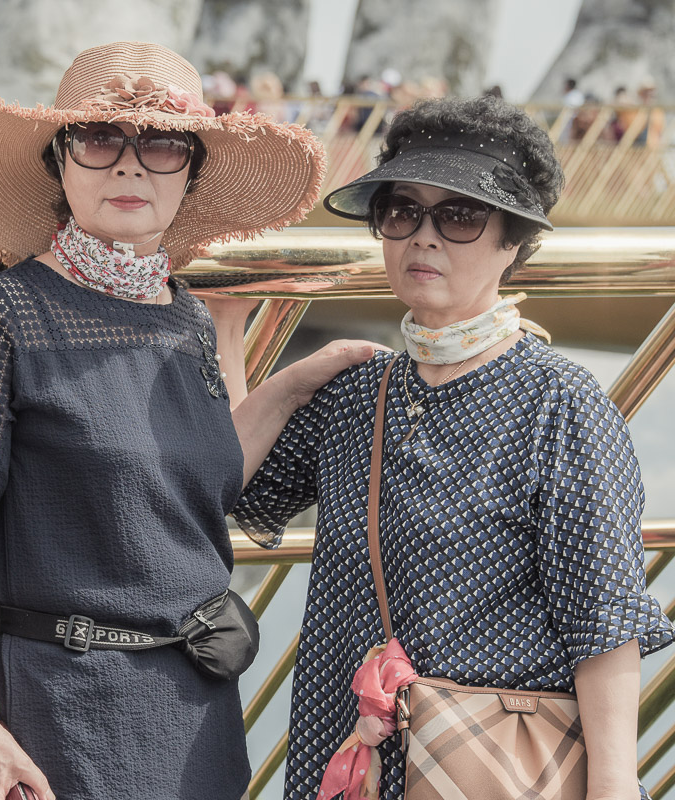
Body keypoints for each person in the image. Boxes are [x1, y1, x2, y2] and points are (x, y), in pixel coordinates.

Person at [0, 40, 375, 800]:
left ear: (191, 170)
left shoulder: (185, 318)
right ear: (59, 161)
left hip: (197, 707)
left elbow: (193, 488)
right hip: (61, 704)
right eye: (100, 140)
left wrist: (294, 384)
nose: (129, 165)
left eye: (161, 143)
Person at [231, 95, 675, 800]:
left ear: (513, 241)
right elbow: (222, 489)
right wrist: (283, 380)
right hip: (348, 759)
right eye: (401, 211)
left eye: (460, 215)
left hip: (485, 764)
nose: (423, 237)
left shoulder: (559, 404)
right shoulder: (355, 393)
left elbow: (603, 623)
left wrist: (615, 784)